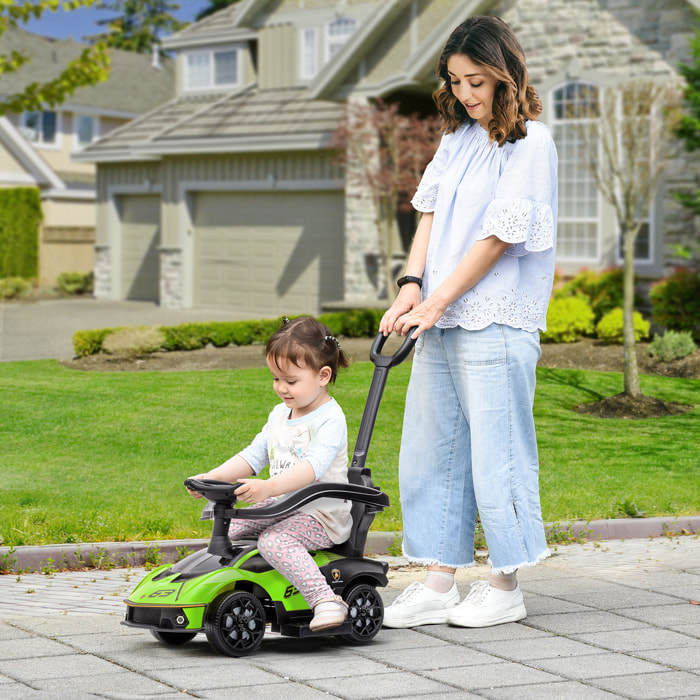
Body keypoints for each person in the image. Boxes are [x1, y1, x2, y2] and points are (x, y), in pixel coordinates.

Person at [379, 15, 558, 629]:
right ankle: (437, 582)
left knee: (497, 452)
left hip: (497, 321)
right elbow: (427, 216)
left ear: (506, 74)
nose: (465, 93)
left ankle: (506, 584)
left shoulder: (530, 143)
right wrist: (410, 288)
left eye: (477, 80)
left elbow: (497, 239)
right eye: (455, 81)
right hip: (441, 320)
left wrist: (434, 302)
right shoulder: (455, 141)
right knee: (433, 451)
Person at [187, 315, 352, 632]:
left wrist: (269, 487)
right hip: (282, 506)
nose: (281, 388)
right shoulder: (279, 414)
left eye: (290, 381)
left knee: (275, 541)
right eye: (276, 379)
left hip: (320, 515)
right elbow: (252, 456)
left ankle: (324, 600)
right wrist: (214, 477)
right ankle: (234, 591)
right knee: (232, 527)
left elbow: (312, 468)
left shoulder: (330, 418)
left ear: (323, 376)